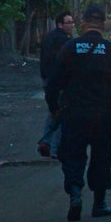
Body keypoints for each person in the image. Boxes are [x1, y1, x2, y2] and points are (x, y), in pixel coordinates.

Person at [46, 4, 111, 222]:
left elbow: (53, 84)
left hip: (74, 113)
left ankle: (76, 194)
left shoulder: (70, 47)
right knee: (101, 157)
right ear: (103, 25)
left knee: (73, 155)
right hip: (103, 115)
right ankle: (99, 202)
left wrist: (53, 109)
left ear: (83, 23)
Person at [37, 11, 74, 158]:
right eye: (68, 23)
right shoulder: (64, 42)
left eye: (72, 22)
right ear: (60, 24)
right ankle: (55, 148)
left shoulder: (48, 37)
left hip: (48, 80)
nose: (71, 25)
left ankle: (46, 141)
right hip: (59, 83)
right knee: (61, 113)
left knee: (53, 112)